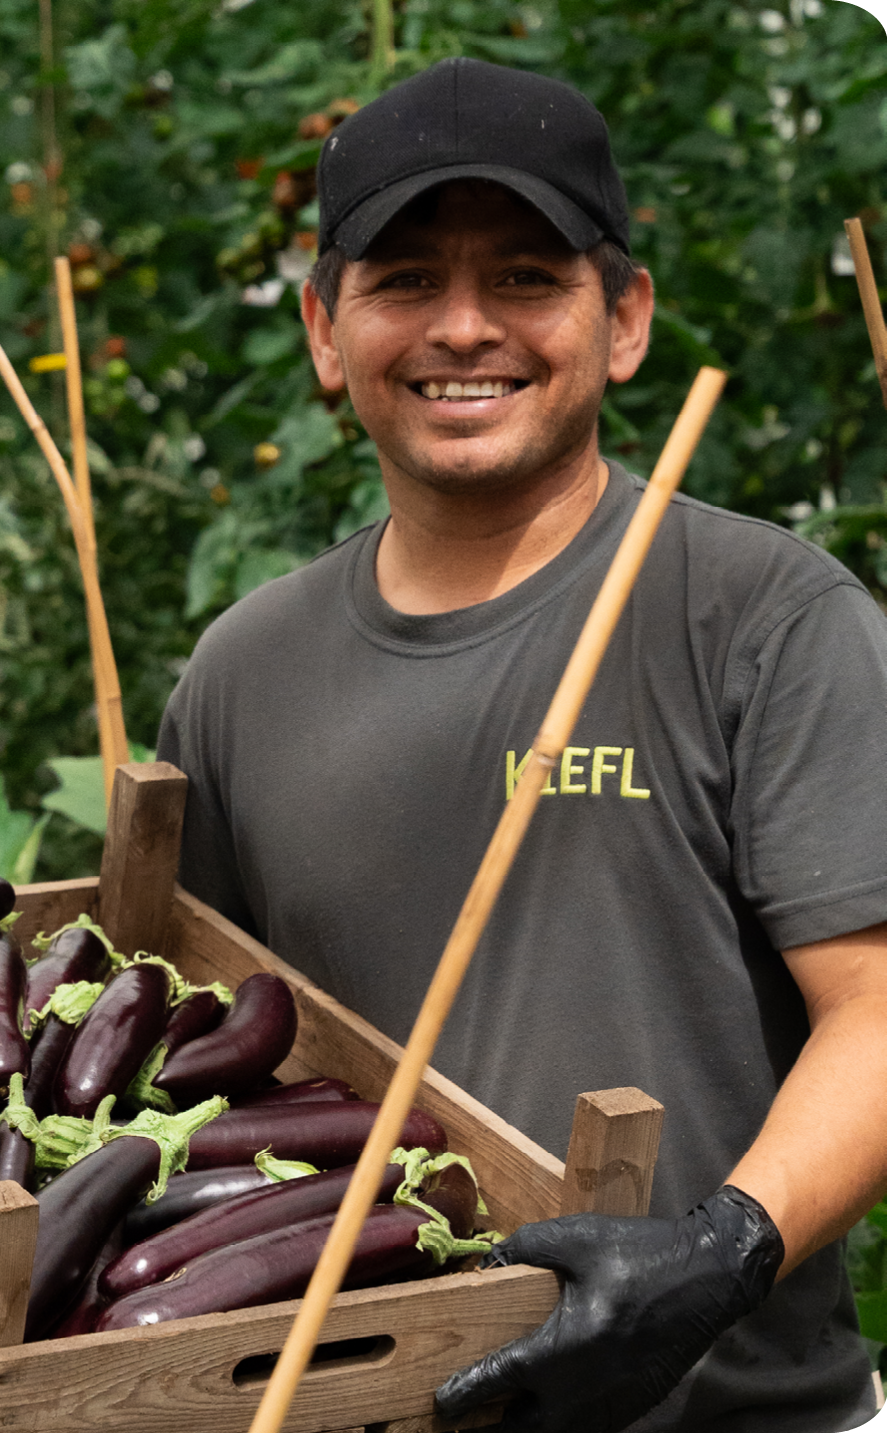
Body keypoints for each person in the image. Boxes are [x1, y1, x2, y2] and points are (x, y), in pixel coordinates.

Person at [157, 58, 887, 1433]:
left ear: (624, 321)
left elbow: (881, 1010)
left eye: (528, 278)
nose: (466, 327)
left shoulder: (766, 619)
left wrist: (728, 1247)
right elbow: (208, 1057)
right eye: (406, 281)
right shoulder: (242, 673)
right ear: (326, 329)